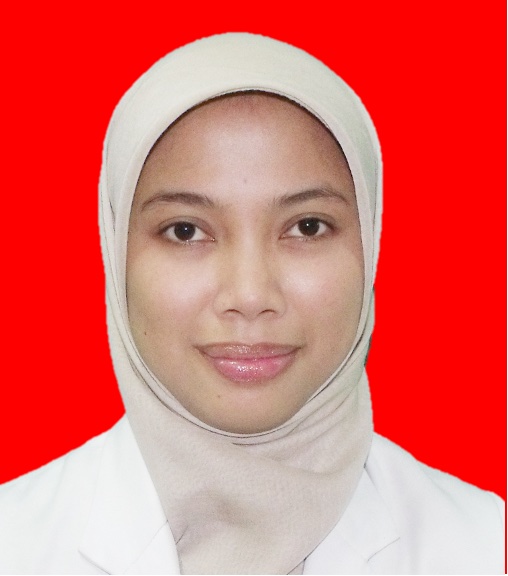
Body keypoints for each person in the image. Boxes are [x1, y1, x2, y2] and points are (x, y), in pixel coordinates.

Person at [0, 33, 503, 575]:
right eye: (186, 230)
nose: (250, 296)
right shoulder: (15, 545)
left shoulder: (485, 547)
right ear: (116, 251)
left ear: (371, 244)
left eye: (307, 227)